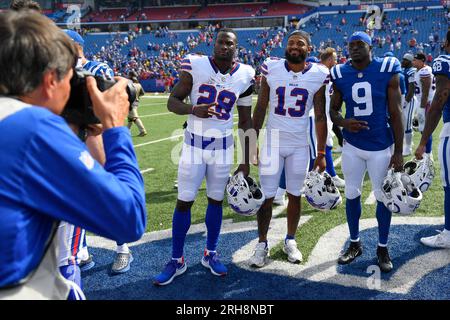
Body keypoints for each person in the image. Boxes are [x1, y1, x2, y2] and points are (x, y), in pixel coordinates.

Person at [0, 11, 146, 299]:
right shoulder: (32, 130)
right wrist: (115, 127)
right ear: (49, 80)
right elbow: (128, 218)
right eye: (72, 75)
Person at [153, 28, 254, 286]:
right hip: (194, 147)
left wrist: (245, 159)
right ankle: (177, 259)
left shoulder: (245, 75)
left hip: (222, 149)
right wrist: (192, 109)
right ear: (214, 44)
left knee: (216, 201)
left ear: (236, 47)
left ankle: (210, 253)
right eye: (221, 42)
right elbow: (172, 101)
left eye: (229, 43)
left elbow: (245, 120)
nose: (224, 46)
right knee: (184, 201)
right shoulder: (196, 66)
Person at [250, 30, 329, 268]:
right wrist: (251, 143)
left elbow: (321, 116)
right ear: (286, 46)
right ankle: (262, 243)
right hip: (273, 142)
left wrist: (322, 153)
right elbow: (261, 107)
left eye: (300, 43)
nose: (295, 46)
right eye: (291, 42)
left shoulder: (319, 74)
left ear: (309, 49)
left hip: (299, 145)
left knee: (295, 194)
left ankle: (290, 240)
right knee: (266, 196)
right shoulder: (271, 68)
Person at [329, 31, 404, 273]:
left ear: (371, 47)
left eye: (360, 44)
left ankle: (382, 247)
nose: (354, 49)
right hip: (352, 145)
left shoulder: (387, 69)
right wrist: (344, 123)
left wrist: (399, 152)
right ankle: (354, 243)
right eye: (350, 45)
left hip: (380, 145)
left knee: (383, 197)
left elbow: (396, 114)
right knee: (352, 193)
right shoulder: (340, 74)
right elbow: (333, 112)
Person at [63, 29, 135, 275]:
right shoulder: (55, 71)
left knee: (106, 191)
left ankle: (123, 248)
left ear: (75, 45)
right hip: (69, 138)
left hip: (95, 136)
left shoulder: (96, 68)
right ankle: (80, 252)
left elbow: (109, 107)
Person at [415, 30, 450, 248]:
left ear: (446, 43)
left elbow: (438, 102)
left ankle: (448, 233)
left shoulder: (445, 61)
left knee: (449, 185)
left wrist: (423, 141)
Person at [320, 47, 345, 188]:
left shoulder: (328, 72)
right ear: (329, 59)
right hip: (317, 115)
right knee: (326, 144)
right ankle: (331, 176)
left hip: (324, 114)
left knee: (325, 144)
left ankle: (327, 175)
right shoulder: (320, 71)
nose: (336, 61)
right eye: (334, 59)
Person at [413, 52, 436, 157]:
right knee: (423, 129)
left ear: (422, 60)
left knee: (425, 129)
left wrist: (422, 108)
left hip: (426, 103)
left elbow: (425, 91)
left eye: (415, 60)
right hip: (423, 102)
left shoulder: (425, 71)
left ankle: (428, 154)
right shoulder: (420, 70)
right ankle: (427, 153)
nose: (413, 62)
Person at [401, 53, 417, 156]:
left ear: (410, 61)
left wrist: (406, 101)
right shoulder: (405, 70)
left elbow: (411, 89)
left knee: (407, 124)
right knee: (403, 123)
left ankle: (408, 147)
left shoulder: (412, 71)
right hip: (405, 99)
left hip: (409, 100)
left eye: (405, 60)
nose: (402, 61)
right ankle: (407, 143)